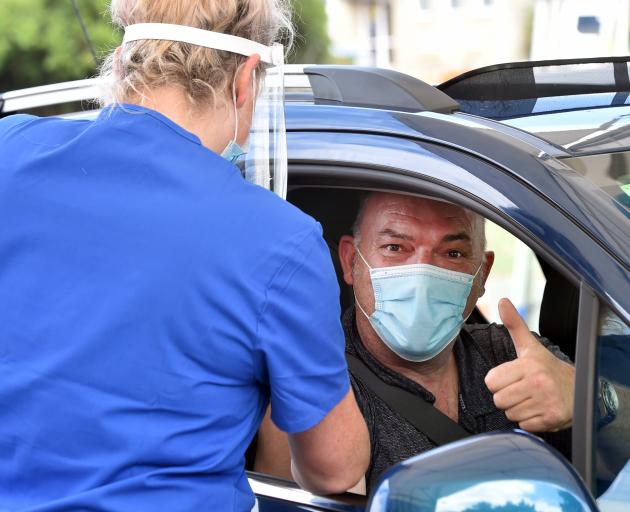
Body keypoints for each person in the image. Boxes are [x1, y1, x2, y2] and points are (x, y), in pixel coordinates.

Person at [0, 1, 368, 510]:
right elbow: (335, 469)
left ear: (123, 62)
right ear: (245, 80)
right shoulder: (280, 240)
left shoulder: (9, 153)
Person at [255, 191, 575, 493]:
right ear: (350, 260)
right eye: (395, 247)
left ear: (483, 273)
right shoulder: (311, 384)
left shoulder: (513, 353)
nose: (422, 273)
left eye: (453, 253)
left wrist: (587, 398)